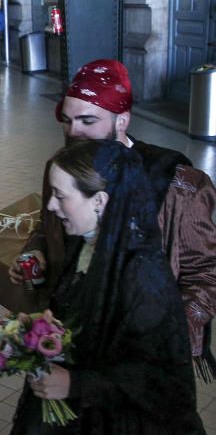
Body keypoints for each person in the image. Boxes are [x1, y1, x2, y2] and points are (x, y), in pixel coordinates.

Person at [0, 139, 216, 435]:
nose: (50, 206)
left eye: (61, 196)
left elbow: (169, 385)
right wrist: (40, 330)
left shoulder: (143, 276)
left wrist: (76, 384)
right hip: (70, 427)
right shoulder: (87, 247)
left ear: (101, 201)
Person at [13, 59, 216, 380]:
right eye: (66, 120)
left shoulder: (177, 186)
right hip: (70, 341)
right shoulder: (61, 167)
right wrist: (36, 251)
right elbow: (47, 223)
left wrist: (166, 334)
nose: (73, 132)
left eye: (87, 120)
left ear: (122, 120)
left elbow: (206, 276)